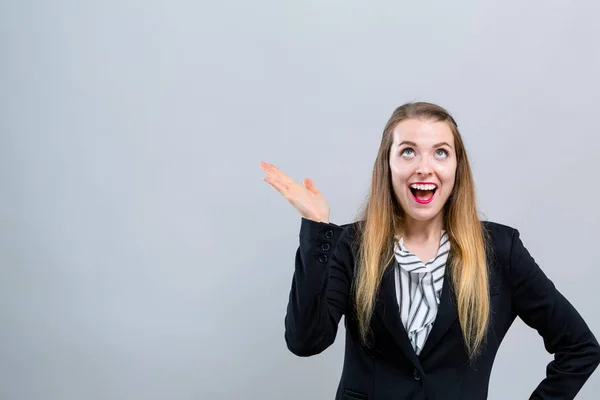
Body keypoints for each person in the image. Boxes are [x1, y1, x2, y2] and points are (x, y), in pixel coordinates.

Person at [259, 102, 600, 399]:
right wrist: (317, 228)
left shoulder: (500, 250)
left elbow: (580, 348)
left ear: (456, 167)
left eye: (440, 152)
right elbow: (306, 342)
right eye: (408, 151)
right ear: (387, 166)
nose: (425, 167)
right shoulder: (352, 246)